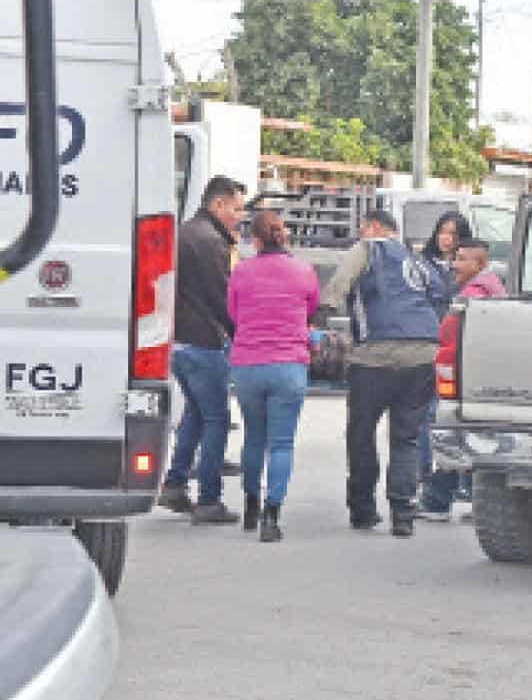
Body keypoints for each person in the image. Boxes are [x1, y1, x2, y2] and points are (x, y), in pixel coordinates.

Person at [320, 209, 444, 537]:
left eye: (363, 229)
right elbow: (438, 299)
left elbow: (338, 285)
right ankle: (403, 514)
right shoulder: (418, 261)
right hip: (424, 354)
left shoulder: (368, 249)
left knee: (361, 434)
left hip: (375, 354)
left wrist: (320, 319)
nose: (361, 234)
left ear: (374, 228)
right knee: (406, 438)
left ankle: (362, 509)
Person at [227, 210, 320, 543]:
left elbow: (233, 313)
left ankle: (250, 504)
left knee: (254, 437)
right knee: (281, 444)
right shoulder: (304, 271)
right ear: (285, 237)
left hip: (249, 365)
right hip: (289, 366)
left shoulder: (241, 272)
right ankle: (272, 515)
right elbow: (310, 310)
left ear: (255, 240)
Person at [158, 175, 247, 524]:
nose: (240, 216)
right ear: (219, 204)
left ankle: (175, 483)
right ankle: (209, 499)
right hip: (203, 342)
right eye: (237, 208)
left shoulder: (186, 232)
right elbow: (223, 297)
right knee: (217, 420)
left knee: (196, 413)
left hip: (180, 342)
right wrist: (242, 334)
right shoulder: (209, 241)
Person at [412, 212, 472, 521]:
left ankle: (455, 483)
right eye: (442, 232)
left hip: (452, 351)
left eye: (453, 233)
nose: (445, 238)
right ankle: (425, 473)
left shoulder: (467, 274)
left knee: (449, 419)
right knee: (426, 416)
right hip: (429, 345)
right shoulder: (423, 265)